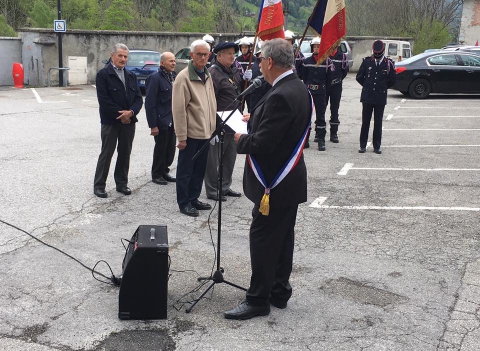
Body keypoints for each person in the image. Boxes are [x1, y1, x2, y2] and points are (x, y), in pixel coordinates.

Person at [225, 38, 312, 320]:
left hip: (275, 183)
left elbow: (264, 144)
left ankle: (258, 299)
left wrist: (241, 137)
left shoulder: (280, 95)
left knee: (263, 240)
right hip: (289, 181)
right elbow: (279, 128)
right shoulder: (296, 87)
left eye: (261, 59)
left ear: (270, 62)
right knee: (282, 238)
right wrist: (254, 118)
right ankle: (278, 291)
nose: (259, 63)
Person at [172, 40, 217, 217]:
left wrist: (212, 128)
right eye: (199, 54)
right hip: (190, 134)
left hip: (205, 133)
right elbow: (178, 109)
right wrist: (181, 136)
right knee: (185, 170)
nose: (203, 57)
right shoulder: (183, 78)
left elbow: (211, 103)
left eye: (206, 54)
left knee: (199, 169)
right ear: (191, 55)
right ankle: (184, 203)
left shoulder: (207, 74)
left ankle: (194, 198)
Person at [93, 43, 143, 198]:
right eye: (120, 55)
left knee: (125, 153)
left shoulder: (131, 75)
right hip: (111, 121)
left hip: (129, 122)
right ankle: (99, 185)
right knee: (107, 153)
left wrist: (131, 112)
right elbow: (104, 100)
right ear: (112, 55)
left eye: (125, 56)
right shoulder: (103, 75)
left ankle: (121, 184)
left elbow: (138, 99)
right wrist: (123, 115)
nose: (123, 59)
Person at [204, 42, 244, 202]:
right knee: (214, 160)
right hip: (219, 122)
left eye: (233, 53)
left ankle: (224, 187)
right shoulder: (214, 73)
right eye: (228, 53)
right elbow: (209, 101)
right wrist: (211, 126)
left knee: (229, 158)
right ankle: (213, 190)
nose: (232, 56)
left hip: (234, 122)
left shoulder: (232, 71)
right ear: (219, 56)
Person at [356, 40, 396, 154]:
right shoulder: (367, 62)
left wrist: (382, 87)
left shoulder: (388, 63)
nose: (377, 57)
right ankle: (362, 145)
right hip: (367, 97)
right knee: (365, 122)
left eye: (379, 55)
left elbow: (393, 80)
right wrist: (367, 86)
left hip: (380, 97)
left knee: (378, 123)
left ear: (382, 52)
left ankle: (377, 146)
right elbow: (359, 77)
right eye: (375, 54)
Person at [144, 52, 177, 186]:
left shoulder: (173, 76)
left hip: (172, 119)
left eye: (174, 61)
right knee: (161, 148)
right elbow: (150, 103)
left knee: (170, 149)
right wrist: (153, 125)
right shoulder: (155, 78)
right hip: (161, 120)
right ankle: (157, 174)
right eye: (170, 61)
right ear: (162, 63)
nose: (173, 63)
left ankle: (165, 170)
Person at [301, 36, 332, 151]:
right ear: (312, 48)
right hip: (309, 92)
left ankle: (321, 139)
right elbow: (304, 77)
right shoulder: (306, 61)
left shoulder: (327, 61)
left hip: (321, 92)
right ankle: (306, 139)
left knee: (321, 116)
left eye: (319, 46)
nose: (317, 49)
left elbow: (329, 78)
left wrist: (323, 88)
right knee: (307, 116)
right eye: (315, 47)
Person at [326, 44, 349, 143]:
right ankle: (319, 133)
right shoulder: (324, 54)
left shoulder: (342, 56)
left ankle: (333, 133)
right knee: (321, 109)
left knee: (334, 109)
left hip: (336, 86)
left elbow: (345, 71)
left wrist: (337, 80)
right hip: (325, 86)